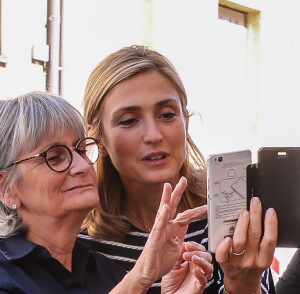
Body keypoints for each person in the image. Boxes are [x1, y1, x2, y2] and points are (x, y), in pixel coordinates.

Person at [80, 45, 278, 294]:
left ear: (186, 121)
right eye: (129, 120)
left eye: (167, 114)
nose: (153, 135)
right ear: (98, 138)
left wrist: (242, 285)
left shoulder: (227, 216)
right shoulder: (82, 238)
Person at [0, 92, 212, 293]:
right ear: (7, 188)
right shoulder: (5, 274)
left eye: (81, 150)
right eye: (54, 157)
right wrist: (139, 278)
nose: (81, 166)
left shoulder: (104, 270)